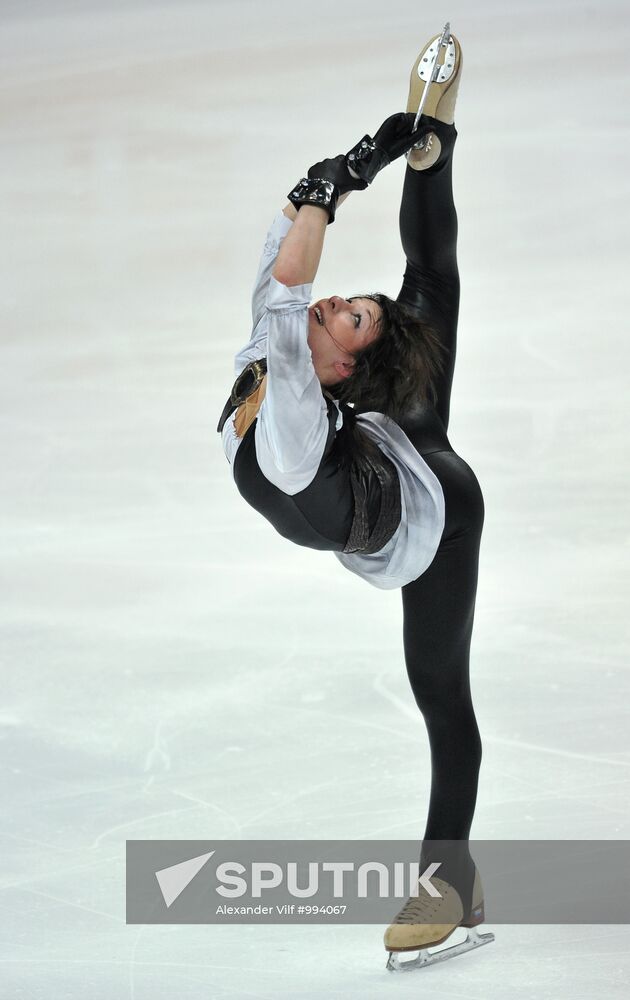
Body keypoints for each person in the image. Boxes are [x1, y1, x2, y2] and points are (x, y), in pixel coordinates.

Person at [218, 26, 494, 970]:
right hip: (379, 444)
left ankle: (447, 881)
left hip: (436, 512)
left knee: (439, 691)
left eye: (352, 316)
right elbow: (289, 245)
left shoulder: (298, 402)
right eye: (345, 303)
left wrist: (337, 184)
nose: (336, 302)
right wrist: (368, 160)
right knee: (429, 292)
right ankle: (435, 143)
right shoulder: (284, 343)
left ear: (340, 365)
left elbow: (296, 270)